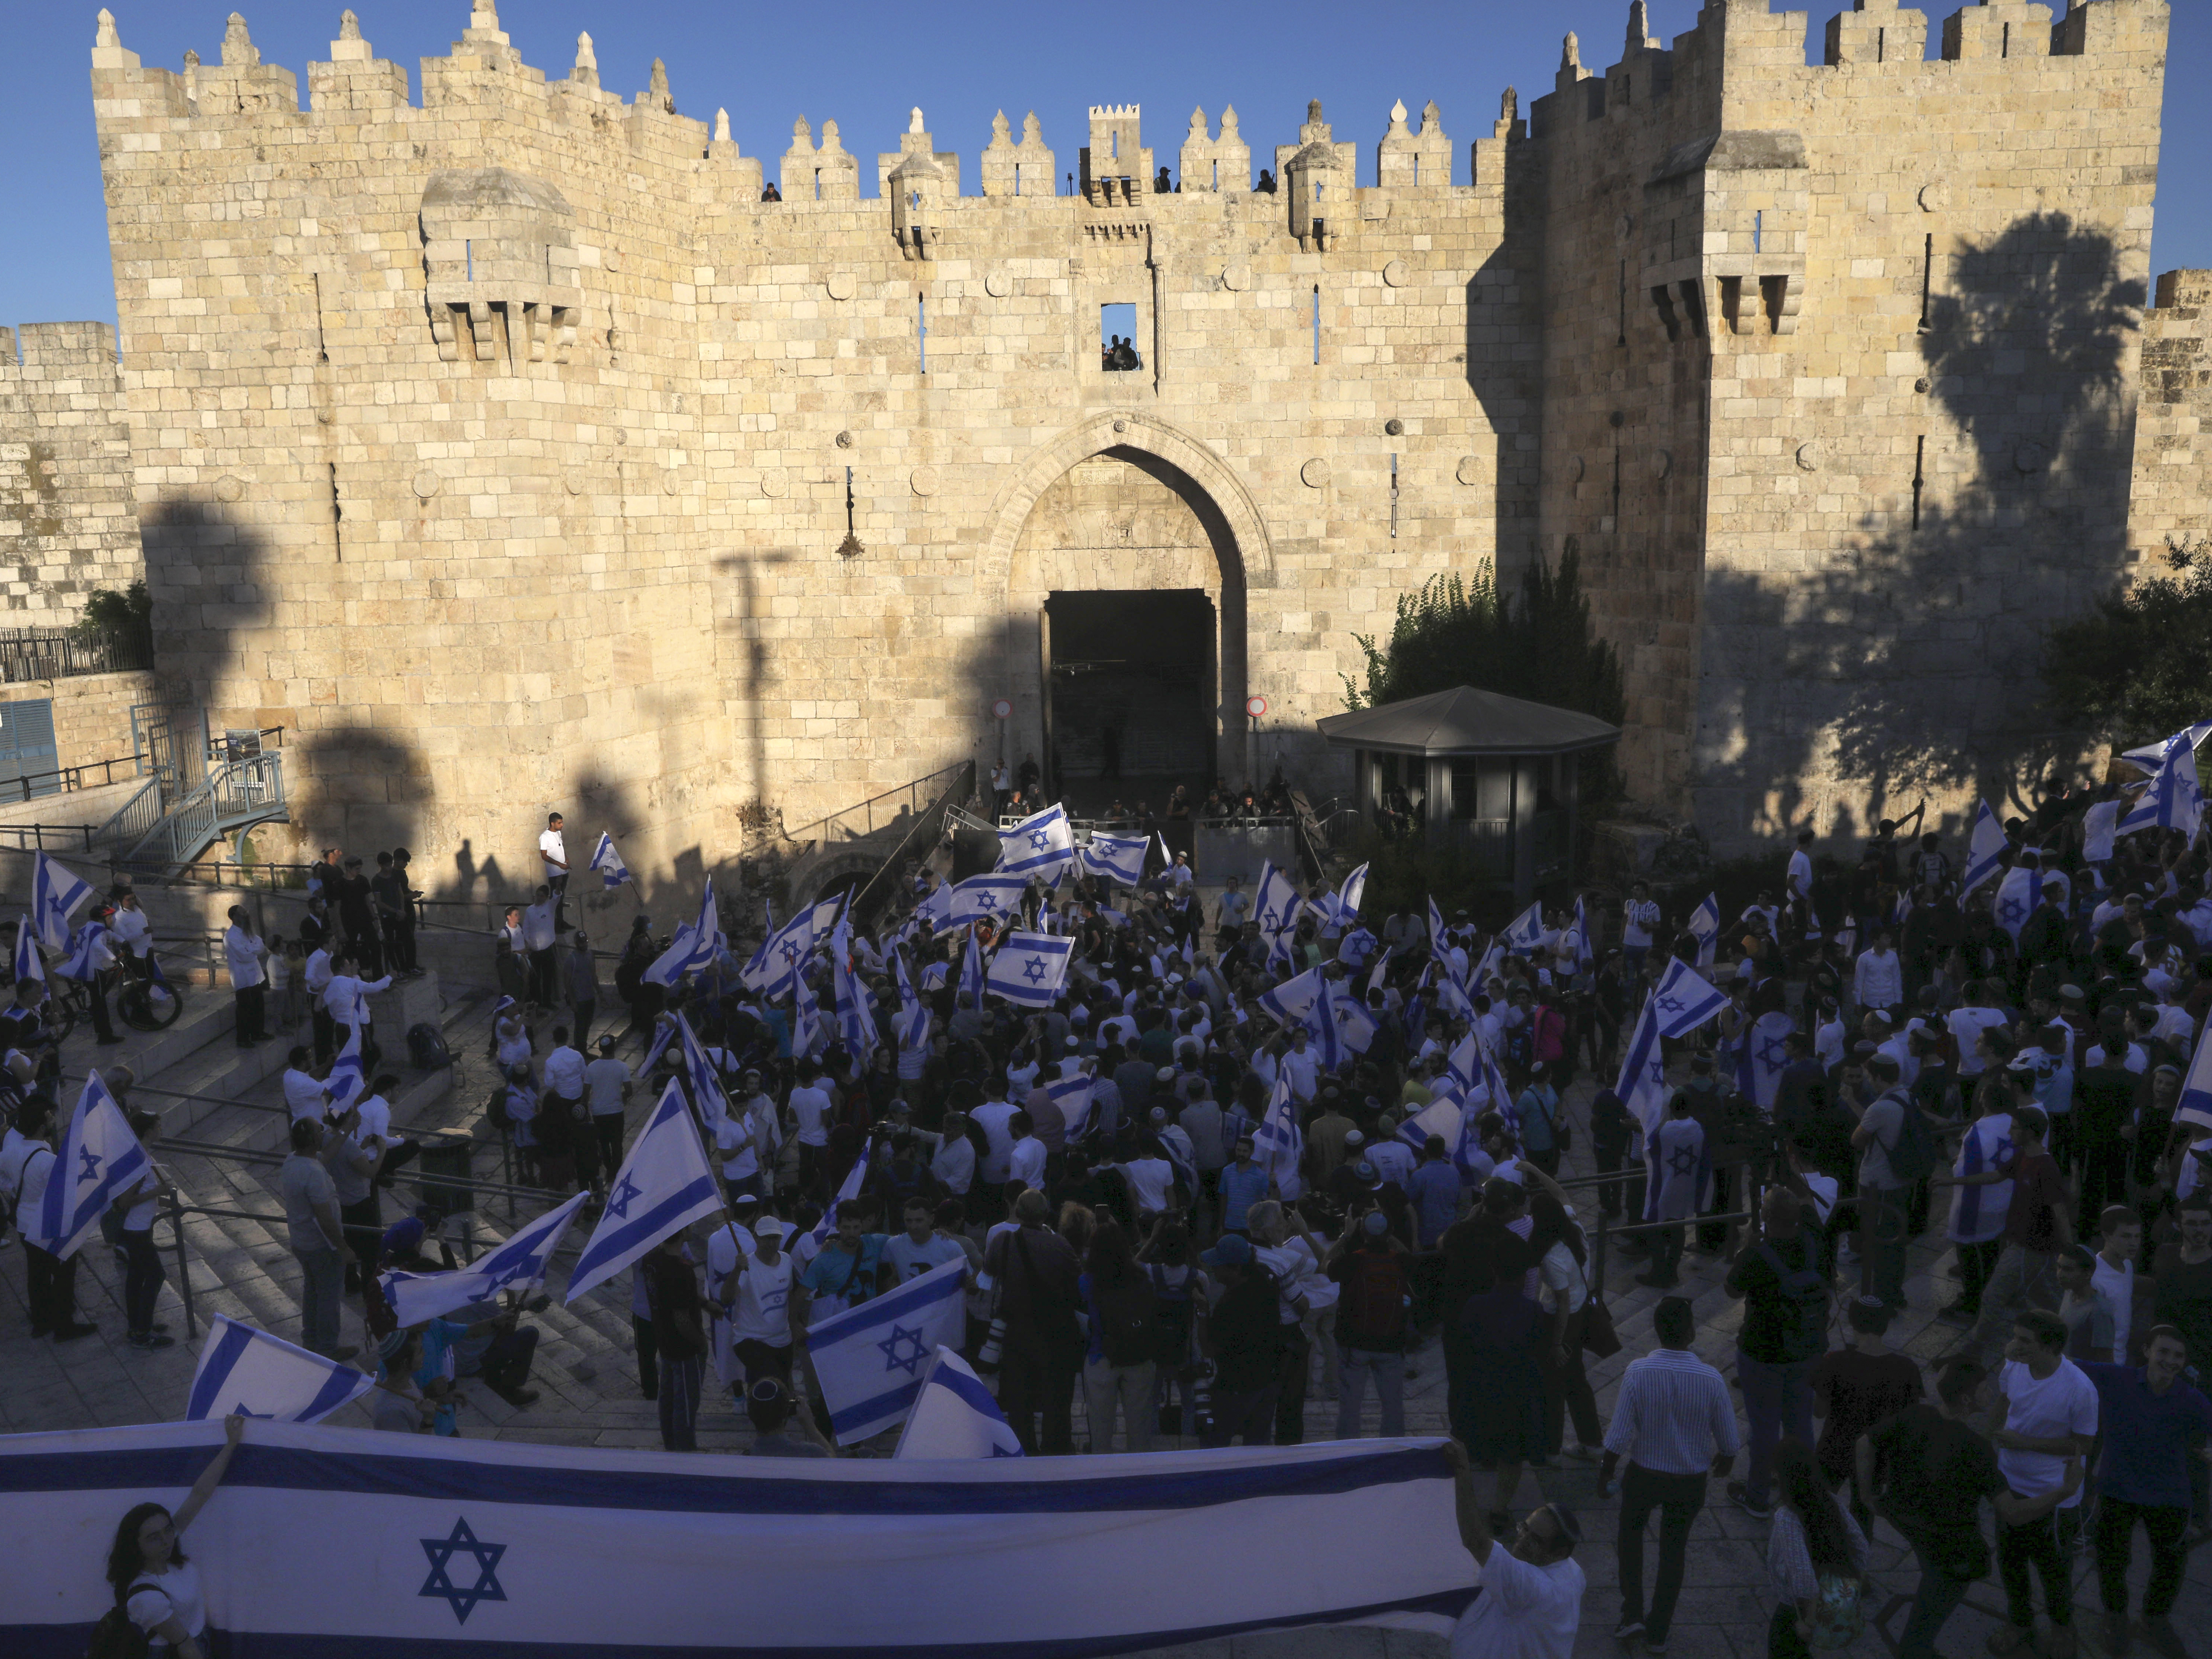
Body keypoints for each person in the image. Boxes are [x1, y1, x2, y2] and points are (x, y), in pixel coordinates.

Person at [1858, 1357, 2083, 1659]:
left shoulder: (1916, 1415)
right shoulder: (1976, 1450)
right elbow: (2013, 1514)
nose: (1990, 1394)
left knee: (1930, 1579)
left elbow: (1864, 1444)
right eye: (1984, 1390)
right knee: (1927, 1618)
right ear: (1966, 1399)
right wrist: (2065, 1491)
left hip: (1906, 1521)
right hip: (1951, 1553)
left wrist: (1867, 1495)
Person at [1600, 1295, 1739, 1653]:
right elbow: (1729, 1439)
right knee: (1673, 1552)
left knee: (1630, 1537)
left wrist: (1607, 1472)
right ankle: (1659, 1631)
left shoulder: (1638, 1372)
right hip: (1689, 1481)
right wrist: (1726, 1460)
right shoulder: (1711, 1379)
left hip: (1644, 1474)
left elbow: (1619, 1435)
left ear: (1657, 1331)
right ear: (1691, 1332)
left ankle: (1631, 1612)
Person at [1988, 1307, 2099, 1655]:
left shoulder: (2080, 1389)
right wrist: (1989, 1436)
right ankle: (2019, 1622)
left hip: (2054, 1495)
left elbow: (2084, 1445)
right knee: (2010, 1562)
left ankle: (2063, 1629)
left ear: (2050, 1347)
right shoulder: (2016, 1365)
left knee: (2054, 1571)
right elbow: (2005, 1400)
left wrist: (2025, 1443)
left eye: (2024, 1341)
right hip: (2009, 1484)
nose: (2014, 1346)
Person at [1725, 1185, 1832, 1522]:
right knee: (1800, 1423)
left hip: (1763, 1353)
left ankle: (1757, 1496)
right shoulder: (1816, 1243)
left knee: (1765, 1427)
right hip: (1807, 1350)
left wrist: (1746, 1246)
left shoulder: (1758, 1254)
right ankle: (1805, 1493)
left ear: (1767, 1219)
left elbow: (1731, 1289)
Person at [104, 1413, 246, 1659]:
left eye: (168, 1530)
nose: (167, 1540)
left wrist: (231, 1444)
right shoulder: (147, 1596)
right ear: (135, 1545)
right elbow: (186, 1646)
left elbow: (199, 1495)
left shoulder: (168, 1550)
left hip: (198, 1639)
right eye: (153, 1537)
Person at [1438, 1438, 1585, 1659]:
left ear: (1559, 1553)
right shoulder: (1573, 1571)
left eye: (1536, 1540)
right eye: (1524, 1529)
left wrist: (1461, 1470)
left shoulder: (1536, 1589)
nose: (1523, 1541)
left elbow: (1476, 1542)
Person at [1808, 1297, 1921, 1536]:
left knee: (1817, 1506)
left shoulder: (1836, 1362)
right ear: (1885, 1326)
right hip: (1876, 1455)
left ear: (1853, 1323)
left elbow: (1819, 1412)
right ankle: (1857, 1566)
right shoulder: (1907, 1369)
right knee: (1863, 1516)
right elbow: (1909, 1422)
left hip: (1835, 1447)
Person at [986, 1189, 1085, 1454]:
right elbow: (1080, 1283)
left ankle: (1023, 1451)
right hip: (1055, 1333)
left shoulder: (1001, 1242)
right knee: (1057, 1398)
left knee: (1020, 1401)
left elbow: (986, 1281)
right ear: (1046, 1214)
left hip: (1016, 1333)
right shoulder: (1060, 1246)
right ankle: (1056, 1449)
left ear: (1017, 1213)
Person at [1764, 1437, 1869, 1659]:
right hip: (1831, 1590)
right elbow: (1861, 1547)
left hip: (1796, 1609)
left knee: (1781, 1649)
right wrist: (1849, 1586)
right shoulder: (1830, 1500)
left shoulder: (1788, 1518)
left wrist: (1810, 1622)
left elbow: (1804, 1582)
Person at [1329, 1207, 1410, 1438]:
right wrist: (1389, 1233)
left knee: (1350, 1407)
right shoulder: (1401, 1261)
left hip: (1354, 1344)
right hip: (1391, 1343)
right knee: (1393, 1405)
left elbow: (1326, 1263)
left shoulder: (1353, 1261)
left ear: (1362, 1232)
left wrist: (1346, 1235)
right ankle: (1393, 1452)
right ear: (1390, 1232)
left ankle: (1349, 1450)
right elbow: (1409, 1255)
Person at [1196, 1231, 1283, 1447]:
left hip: (1235, 1386)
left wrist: (1203, 1312)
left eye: (1219, 1266)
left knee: (1214, 1444)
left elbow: (1208, 1349)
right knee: (1257, 1446)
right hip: (1267, 1381)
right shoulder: (1265, 1281)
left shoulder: (1230, 1306)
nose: (1213, 1270)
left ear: (1236, 1268)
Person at [280, 1115, 355, 1360]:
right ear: (314, 1139)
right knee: (329, 1298)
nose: (323, 1133)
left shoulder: (293, 1161)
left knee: (312, 1292)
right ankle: (327, 1348)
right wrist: (343, 1248)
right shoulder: (313, 1174)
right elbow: (324, 1217)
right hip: (322, 1246)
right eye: (319, 1131)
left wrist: (345, 1131)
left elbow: (326, 1156)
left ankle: (310, 1340)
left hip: (301, 1241)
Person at [1079, 1221, 1157, 1452]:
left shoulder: (1087, 1281)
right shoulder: (1142, 1276)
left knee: (1100, 1428)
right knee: (1139, 1426)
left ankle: (1103, 1473)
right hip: (1139, 1355)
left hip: (1101, 1356)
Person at [112, 1107, 174, 1349]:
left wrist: (164, 1200)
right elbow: (124, 1202)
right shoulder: (139, 1161)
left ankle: (138, 1322)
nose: (161, 1130)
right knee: (156, 1275)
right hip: (135, 1229)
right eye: (158, 1127)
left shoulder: (141, 1155)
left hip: (141, 1226)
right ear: (149, 1131)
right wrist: (157, 1192)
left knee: (137, 1276)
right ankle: (142, 1331)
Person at [643, 1231, 707, 1451]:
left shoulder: (651, 1260)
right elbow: (681, 1318)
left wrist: (706, 1304)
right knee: (686, 1404)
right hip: (684, 1348)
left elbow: (672, 1296)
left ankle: (670, 1445)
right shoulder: (681, 1271)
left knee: (668, 1398)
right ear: (684, 1233)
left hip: (664, 1340)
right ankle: (685, 1451)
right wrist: (701, 1343)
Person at [741, 1375, 837, 1457]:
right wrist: (810, 1425)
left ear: (751, 1415)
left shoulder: (743, 1461)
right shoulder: (811, 1453)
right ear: (788, 1411)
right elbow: (831, 1463)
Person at [223, 905, 269, 1047]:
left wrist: (251, 950)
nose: (246, 915)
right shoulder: (231, 937)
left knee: (258, 1005)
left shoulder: (248, 932)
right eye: (243, 913)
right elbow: (244, 956)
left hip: (255, 976)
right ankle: (243, 1038)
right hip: (242, 978)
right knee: (245, 1009)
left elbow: (260, 945)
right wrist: (252, 950)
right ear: (235, 917)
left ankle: (258, 1033)